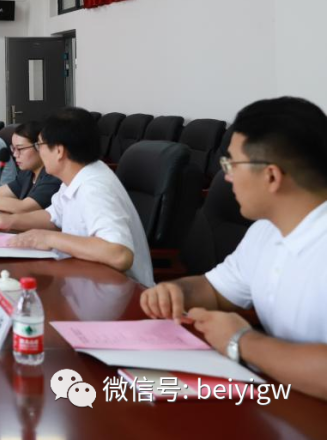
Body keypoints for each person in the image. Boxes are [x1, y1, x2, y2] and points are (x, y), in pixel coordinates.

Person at [140, 97, 327, 400]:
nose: (226, 177)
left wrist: (241, 341)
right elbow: (215, 290)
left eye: (232, 165)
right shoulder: (266, 230)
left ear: (271, 176)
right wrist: (176, 291)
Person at [0, 107, 154, 287]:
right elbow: (52, 217)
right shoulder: (75, 177)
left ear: (59, 151)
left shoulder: (94, 188)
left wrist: (49, 239)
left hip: (121, 291)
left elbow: (119, 254)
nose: (39, 152)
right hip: (86, 279)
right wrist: (10, 221)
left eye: (40, 145)